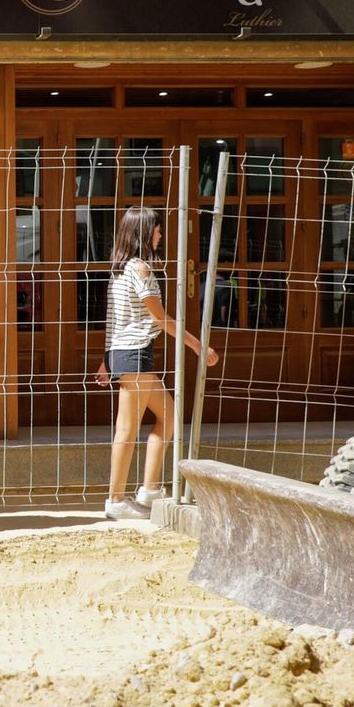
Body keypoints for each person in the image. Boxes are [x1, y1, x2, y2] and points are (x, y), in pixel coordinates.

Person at [94, 205, 218, 521]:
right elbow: (160, 318)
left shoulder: (120, 269)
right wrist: (197, 345)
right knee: (128, 427)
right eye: (158, 229)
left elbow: (114, 321)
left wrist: (107, 360)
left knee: (170, 415)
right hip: (134, 354)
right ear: (145, 233)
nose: (161, 234)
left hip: (128, 353)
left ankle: (149, 490)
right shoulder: (140, 270)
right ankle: (116, 500)